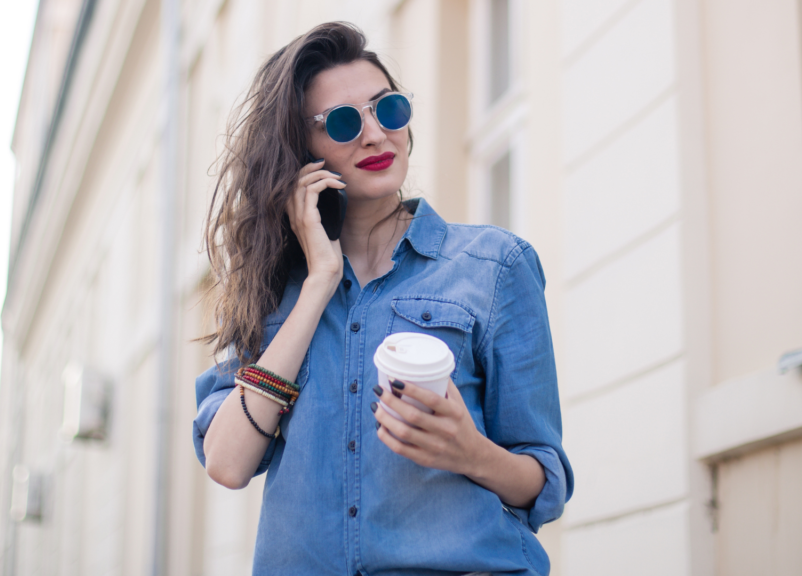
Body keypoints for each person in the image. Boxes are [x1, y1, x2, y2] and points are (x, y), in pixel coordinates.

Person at [193, 21, 572, 576]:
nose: (374, 135)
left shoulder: (495, 266)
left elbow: (545, 481)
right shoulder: (274, 291)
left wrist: (470, 452)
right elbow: (227, 463)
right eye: (344, 122)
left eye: (387, 109)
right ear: (303, 150)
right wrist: (319, 281)